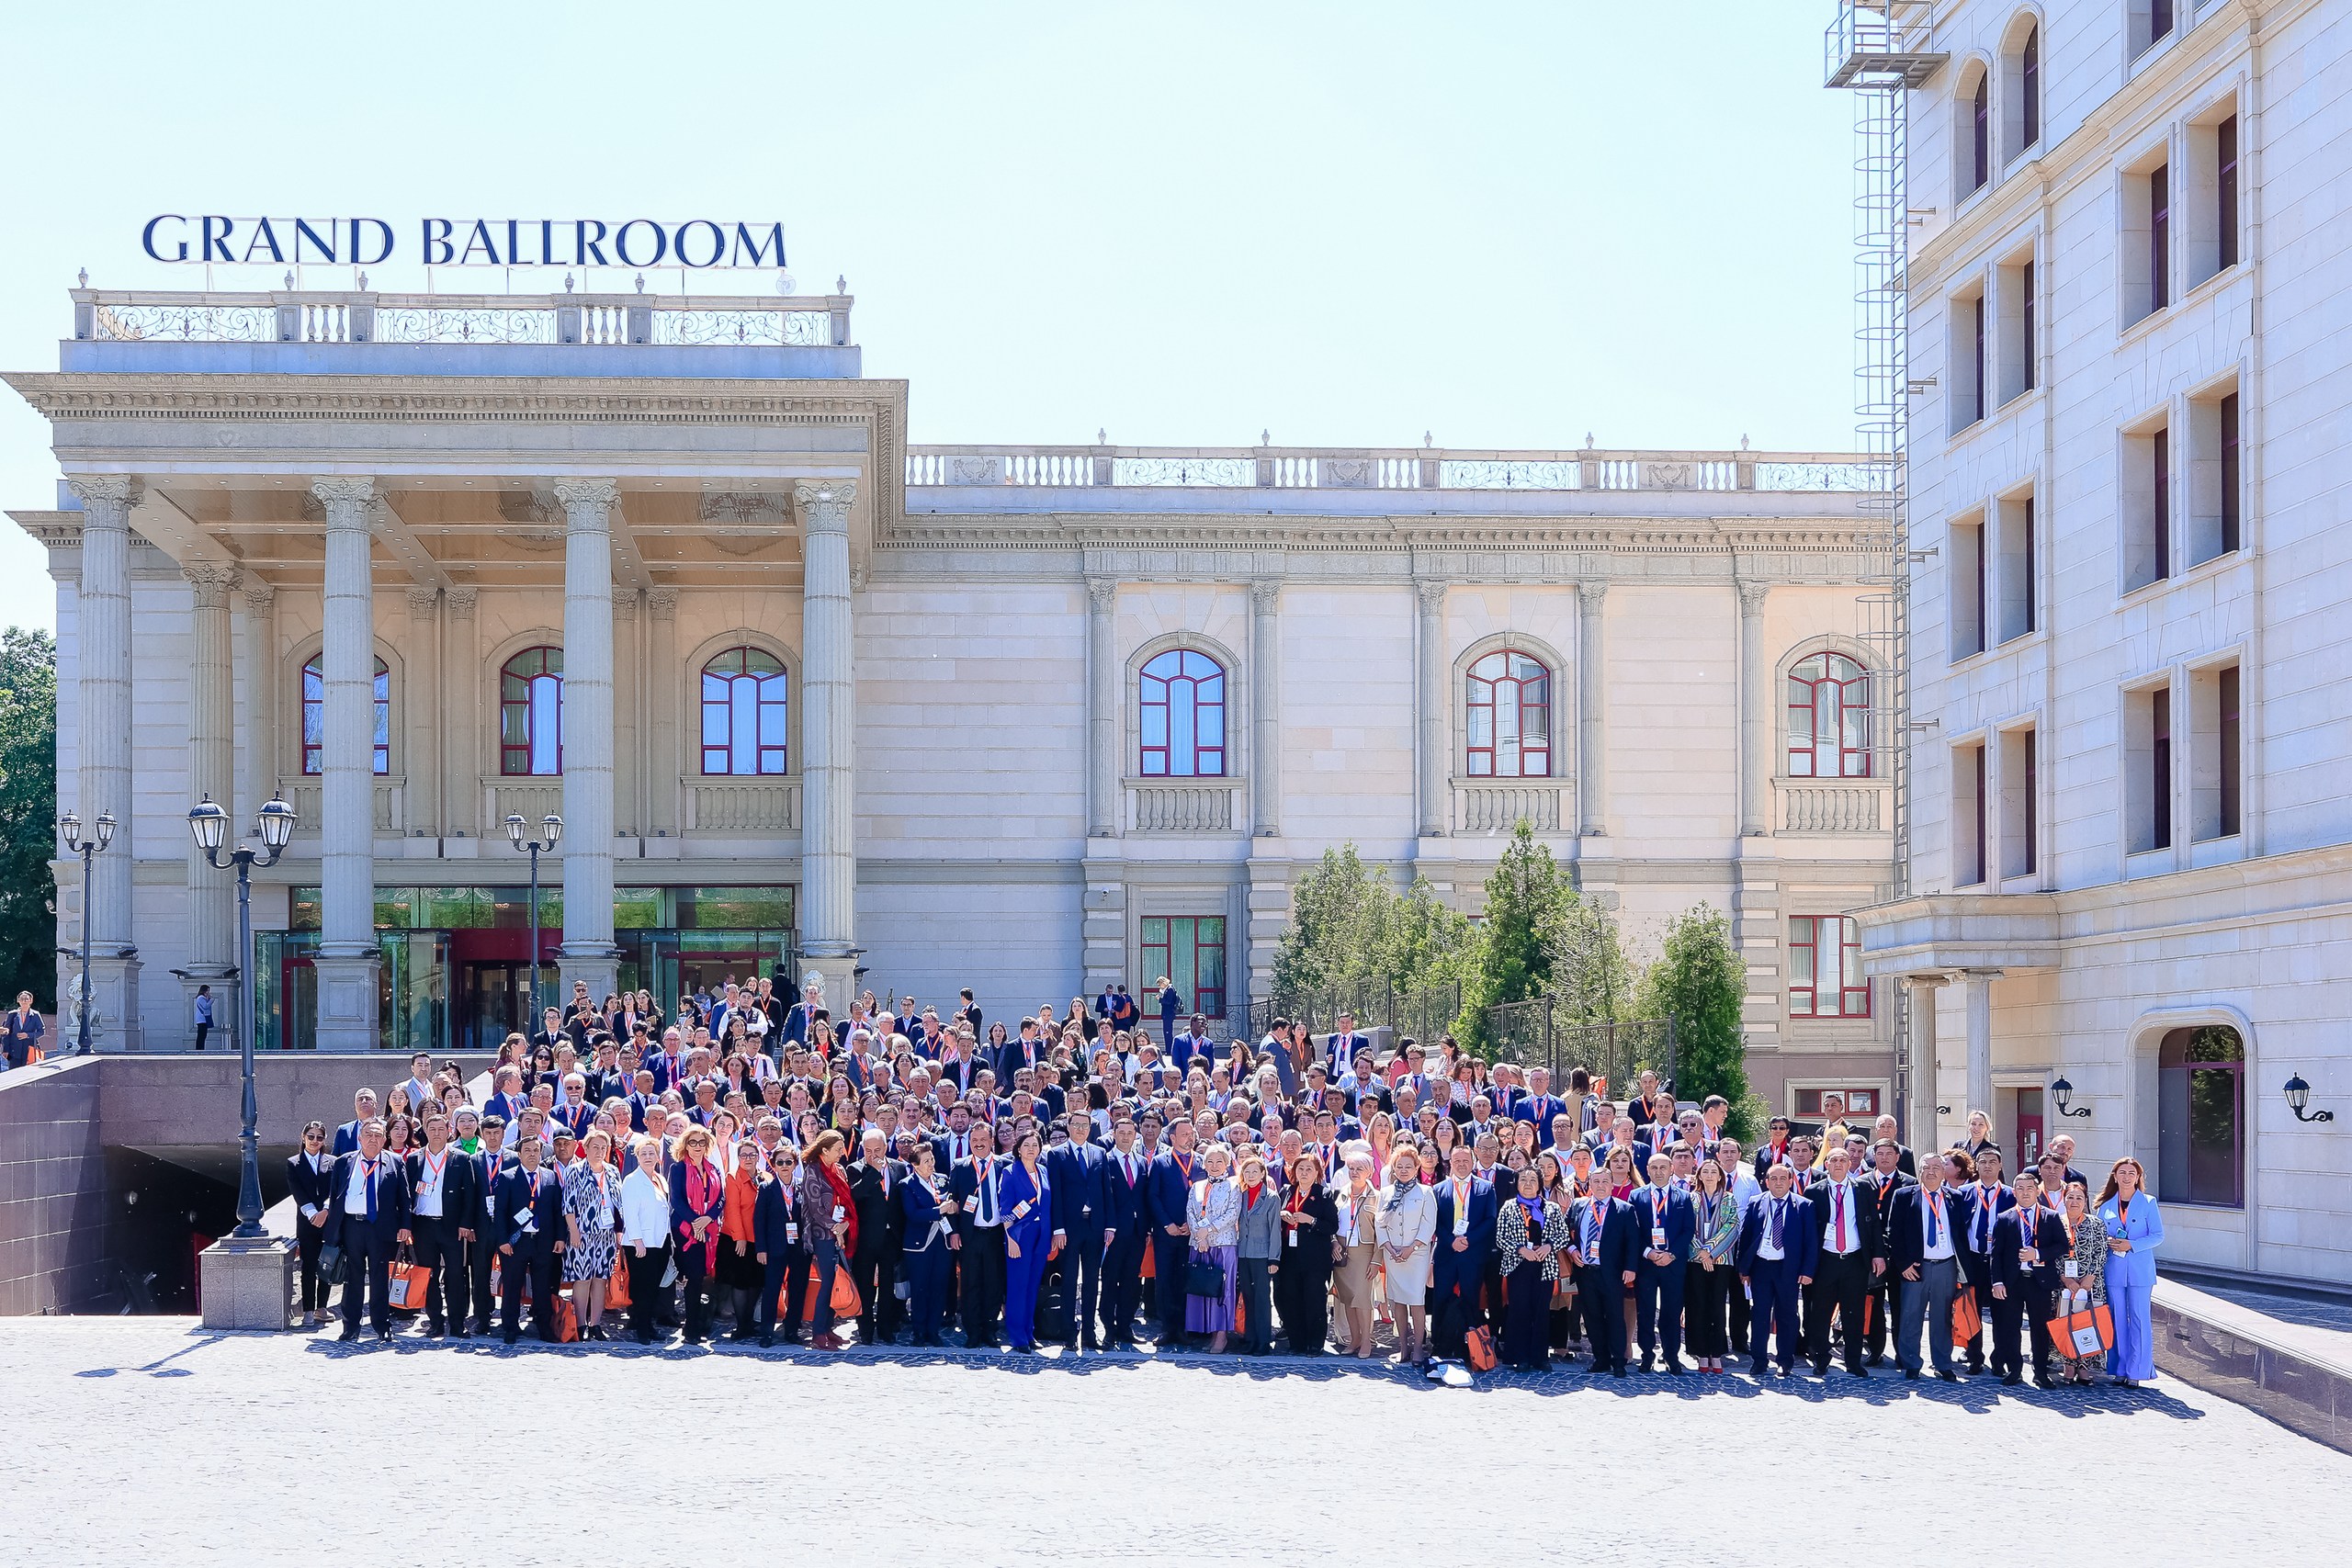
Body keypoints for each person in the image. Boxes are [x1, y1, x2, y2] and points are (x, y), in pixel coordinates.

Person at [324, 1117, 412, 1342]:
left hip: (380, 1228)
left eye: (378, 1135)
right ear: (360, 1138)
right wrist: (333, 1231)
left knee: (379, 1277)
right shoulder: (343, 1162)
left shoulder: (394, 1162)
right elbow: (335, 1197)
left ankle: (381, 1324)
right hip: (351, 1226)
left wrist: (405, 1225)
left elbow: (404, 1197)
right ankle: (350, 1326)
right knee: (352, 1277)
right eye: (368, 1135)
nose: (373, 1139)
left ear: (384, 1139)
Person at [1884, 1151, 1966, 1382]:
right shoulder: (1904, 1195)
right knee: (1911, 1316)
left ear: (1944, 1173)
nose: (1931, 1172)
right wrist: (1903, 1264)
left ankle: (1943, 1363)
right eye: (1926, 1168)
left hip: (1946, 1266)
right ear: (1919, 1172)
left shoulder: (1955, 1197)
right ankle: (1911, 1362)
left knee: (1942, 1317)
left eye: (1936, 1168)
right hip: (1916, 1267)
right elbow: (1893, 1233)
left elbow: (1961, 1234)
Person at [1803, 1144, 1879, 1379]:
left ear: (1849, 1164)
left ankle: (1853, 1361)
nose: (1838, 1164)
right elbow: (1807, 1231)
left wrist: (1878, 1254)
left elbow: (1874, 1224)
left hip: (1854, 1261)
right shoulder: (1814, 1191)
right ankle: (1821, 1359)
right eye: (1834, 1160)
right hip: (1825, 1260)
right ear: (1826, 1164)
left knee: (1853, 1313)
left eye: (1843, 1160)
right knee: (1820, 1313)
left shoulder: (1863, 1188)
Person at [1735, 1160, 1816, 1378]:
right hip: (1761, 1267)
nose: (1778, 1183)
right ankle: (1759, 1360)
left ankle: (1785, 1361)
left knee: (1787, 1315)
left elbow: (1810, 1241)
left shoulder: (1804, 1205)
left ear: (1790, 1181)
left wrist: (1807, 1271)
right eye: (1774, 1179)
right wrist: (1744, 1269)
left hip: (1788, 1268)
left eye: (1783, 1178)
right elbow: (1745, 1236)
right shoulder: (1756, 1202)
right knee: (1759, 1314)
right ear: (1767, 1182)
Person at [404, 1111, 478, 1337]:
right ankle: (435, 1321)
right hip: (423, 1226)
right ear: (425, 1132)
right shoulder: (414, 1159)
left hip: (451, 1226)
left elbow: (470, 1195)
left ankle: (457, 1322)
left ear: (449, 1132)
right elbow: (406, 1195)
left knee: (456, 1275)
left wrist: (466, 1223)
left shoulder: (461, 1158)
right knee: (429, 1275)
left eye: (441, 1129)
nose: (436, 1133)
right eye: (432, 1129)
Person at [1989, 1166, 2063, 1388]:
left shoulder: (2050, 1216)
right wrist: (1997, 1282)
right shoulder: (2005, 1218)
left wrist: (2037, 1254)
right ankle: (2015, 1369)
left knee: (2040, 1328)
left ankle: (2040, 1371)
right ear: (2014, 1192)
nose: (2025, 1193)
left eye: (2030, 1188)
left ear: (2037, 1191)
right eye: (2020, 1189)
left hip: (2040, 1282)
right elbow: (1996, 1253)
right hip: (2013, 1281)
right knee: (2011, 1327)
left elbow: (2061, 1246)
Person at [490, 1133, 564, 1345]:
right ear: (519, 1154)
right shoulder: (507, 1177)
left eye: (536, 1150)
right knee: (512, 1286)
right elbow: (500, 1211)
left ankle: (544, 1328)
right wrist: (503, 1241)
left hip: (543, 1241)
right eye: (528, 1150)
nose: (532, 1154)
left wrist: (560, 1237)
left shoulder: (550, 1177)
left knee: (542, 1287)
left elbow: (557, 1210)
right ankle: (510, 1328)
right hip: (516, 1241)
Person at [2097, 1156, 2164, 1386]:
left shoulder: (2148, 1202)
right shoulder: (2105, 1206)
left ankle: (2137, 1371)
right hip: (2114, 1270)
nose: (2126, 1177)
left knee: (2139, 1318)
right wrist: (2108, 1241)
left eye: (2131, 1173)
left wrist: (2132, 1245)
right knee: (2117, 1319)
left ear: (2138, 1178)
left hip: (2140, 1270)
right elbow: (2099, 1236)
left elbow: (2157, 1235)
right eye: (2122, 1173)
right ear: (2115, 1177)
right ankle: (2120, 1368)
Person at [1045, 1109, 1108, 1348]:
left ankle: (1089, 1333)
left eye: (1085, 1125)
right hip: (1069, 1227)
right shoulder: (1056, 1154)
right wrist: (1058, 1228)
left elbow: (1106, 1191)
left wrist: (1109, 1225)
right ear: (1069, 1127)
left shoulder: (1100, 1153)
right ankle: (1069, 1334)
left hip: (1095, 1225)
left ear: (1090, 1128)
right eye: (1076, 1125)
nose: (1080, 1129)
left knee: (1092, 1281)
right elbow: (1055, 1194)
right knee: (1069, 1280)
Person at [1429, 1145, 1498, 1361]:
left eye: (1465, 1161)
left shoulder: (1486, 1188)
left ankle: (1469, 1347)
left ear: (1472, 1162)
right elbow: (1435, 1222)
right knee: (1441, 1298)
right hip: (1447, 1254)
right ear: (1450, 1163)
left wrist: (1468, 1239)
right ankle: (1439, 1345)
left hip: (1472, 1254)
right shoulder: (1438, 1189)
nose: (1461, 1165)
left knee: (1471, 1300)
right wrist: (1451, 1241)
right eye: (1457, 1161)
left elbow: (1490, 1219)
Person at [1567, 1168, 1638, 1376]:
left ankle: (1618, 1361)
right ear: (1590, 1184)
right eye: (1596, 1181)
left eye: (1605, 1181)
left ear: (1611, 1184)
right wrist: (1571, 1250)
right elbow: (1565, 1230)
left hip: (1612, 1273)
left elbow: (1633, 1241)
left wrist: (1630, 1267)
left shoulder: (1625, 1209)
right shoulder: (1578, 1206)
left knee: (1615, 1316)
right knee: (1592, 1316)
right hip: (1585, 1271)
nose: (1600, 1185)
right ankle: (1601, 1359)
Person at [1497, 1165, 1567, 1372]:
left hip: (1545, 1266)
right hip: (1518, 1266)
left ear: (1539, 1184)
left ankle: (1540, 1357)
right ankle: (1520, 1357)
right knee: (1519, 1310)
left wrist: (1549, 1246)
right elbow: (1500, 1238)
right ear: (1517, 1184)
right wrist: (1521, 1250)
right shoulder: (1509, 1207)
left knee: (1541, 1311)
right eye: (1523, 1180)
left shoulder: (1552, 1208)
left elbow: (1563, 1235)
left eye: (1532, 1180)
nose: (1528, 1184)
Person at [1630, 1151, 1695, 1374]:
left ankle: (1671, 1355)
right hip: (1646, 1264)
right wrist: (1648, 1252)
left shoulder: (1684, 1197)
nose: (1659, 1172)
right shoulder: (1636, 1196)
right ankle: (1647, 1355)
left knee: (1671, 1312)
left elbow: (1688, 1230)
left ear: (1671, 1170)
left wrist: (1672, 1254)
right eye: (1654, 1168)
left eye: (1663, 1168)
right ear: (1647, 1171)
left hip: (1673, 1265)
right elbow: (1633, 1231)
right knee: (1646, 1312)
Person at [846, 1128, 908, 1347]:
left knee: (888, 1285)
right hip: (867, 1238)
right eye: (869, 1150)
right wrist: (873, 1171)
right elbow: (855, 1195)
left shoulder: (899, 1167)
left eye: (878, 1150)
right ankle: (865, 1330)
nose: (874, 1154)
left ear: (886, 1147)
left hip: (892, 1236)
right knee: (865, 1286)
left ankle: (885, 1328)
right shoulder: (855, 1168)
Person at [797, 1129, 857, 1350]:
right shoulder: (813, 1171)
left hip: (841, 1232)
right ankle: (818, 1333)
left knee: (838, 1281)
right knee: (827, 1283)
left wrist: (845, 1225)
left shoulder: (839, 1170)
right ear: (824, 1150)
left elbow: (847, 1201)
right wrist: (835, 1228)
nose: (842, 1153)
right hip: (823, 1236)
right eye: (838, 1149)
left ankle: (829, 1327)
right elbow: (815, 1210)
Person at [670, 1124, 727, 1344]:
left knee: (702, 1277)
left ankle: (697, 1324)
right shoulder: (678, 1168)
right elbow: (676, 1200)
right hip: (686, 1230)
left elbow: (721, 1198)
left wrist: (707, 1219)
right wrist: (696, 1223)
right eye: (692, 1142)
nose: (697, 1146)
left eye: (701, 1142)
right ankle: (691, 1329)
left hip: (708, 1229)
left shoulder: (713, 1169)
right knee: (692, 1278)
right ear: (685, 1145)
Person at [1182, 1142, 1242, 1353]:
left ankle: (1222, 1335)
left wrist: (1206, 1231)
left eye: (1219, 1161)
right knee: (1203, 1287)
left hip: (1223, 1244)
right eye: (1210, 1161)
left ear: (1227, 1164)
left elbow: (1231, 1214)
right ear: (1204, 1164)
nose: (1214, 1165)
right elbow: (1190, 1211)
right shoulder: (1196, 1186)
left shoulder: (1234, 1186)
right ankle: (1208, 1331)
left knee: (1222, 1289)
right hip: (1199, 1245)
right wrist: (1199, 1237)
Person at [561, 1129, 620, 1341]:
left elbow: (618, 1205)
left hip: (606, 1234)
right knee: (583, 1278)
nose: (599, 1151)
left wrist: (619, 1232)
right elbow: (568, 1205)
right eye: (595, 1147)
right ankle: (580, 1324)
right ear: (585, 1148)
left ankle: (595, 1324)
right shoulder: (575, 1171)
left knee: (600, 1279)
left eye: (603, 1147)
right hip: (583, 1233)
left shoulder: (612, 1171)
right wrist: (574, 1231)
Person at [951, 1121, 1005, 1348]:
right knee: (970, 1284)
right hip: (970, 1235)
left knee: (993, 1283)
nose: (979, 1144)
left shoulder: (1004, 1165)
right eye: (974, 1140)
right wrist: (954, 1232)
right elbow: (952, 1202)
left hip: (995, 1234)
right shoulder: (960, 1166)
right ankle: (972, 1332)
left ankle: (990, 1330)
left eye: (983, 1139)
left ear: (992, 1141)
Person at [1097, 1119, 1150, 1347]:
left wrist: (1147, 1228)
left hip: (1138, 1232)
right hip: (1114, 1232)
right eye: (1122, 1133)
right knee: (1110, 1280)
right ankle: (1109, 1328)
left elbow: (1144, 1197)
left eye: (1130, 1133)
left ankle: (1125, 1325)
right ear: (1114, 1135)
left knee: (1132, 1281)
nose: (1126, 1137)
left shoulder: (1142, 1162)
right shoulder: (1104, 1161)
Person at [1001, 1128, 1054, 1352]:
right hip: (1020, 1236)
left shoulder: (1043, 1171)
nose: (1031, 1149)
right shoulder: (1010, 1172)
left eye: (1035, 1145)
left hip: (1041, 1234)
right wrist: (1010, 1239)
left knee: (1033, 1285)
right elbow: (1005, 1209)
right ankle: (1017, 1336)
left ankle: (1029, 1331)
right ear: (1018, 1149)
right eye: (1026, 1145)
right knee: (1018, 1286)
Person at [899, 1141, 956, 1347]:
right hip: (919, 1244)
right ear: (915, 1165)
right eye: (926, 1161)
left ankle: (933, 1330)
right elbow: (912, 1213)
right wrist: (939, 1210)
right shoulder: (907, 1184)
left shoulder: (942, 1180)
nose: (931, 1164)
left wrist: (953, 1210)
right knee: (920, 1287)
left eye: (932, 1159)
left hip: (942, 1242)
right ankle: (919, 1331)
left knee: (939, 1286)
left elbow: (952, 1207)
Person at [1685, 1152, 1738, 1372]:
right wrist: (1701, 1252)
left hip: (1721, 1259)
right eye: (1705, 1172)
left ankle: (1716, 1352)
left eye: (1713, 1172)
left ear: (1720, 1176)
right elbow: (1686, 1227)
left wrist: (1711, 1251)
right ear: (1699, 1175)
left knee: (1717, 1306)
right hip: (1695, 1259)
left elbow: (1732, 1226)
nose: (1709, 1175)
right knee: (1697, 1305)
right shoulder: (1691, 1198)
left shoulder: (1728, 1199)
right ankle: (1700, 1352)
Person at [616, 1134, 673, 1343]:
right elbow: (629, 1213)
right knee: (643, 1288)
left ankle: (649, 1325)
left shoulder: (660, 1179)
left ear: (658, 1156)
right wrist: (638, 1241)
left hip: (660, 1240)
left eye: (652, 1153)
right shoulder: (632, 1180)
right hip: (641, 1244)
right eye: (644, 1154)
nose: (648, 1157)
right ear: (637, 1157)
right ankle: (641, 1329)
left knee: (654, 1287)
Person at [2053, 1179, 2109, 1384]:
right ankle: (2068, 1364)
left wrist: (2089, 1278)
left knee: (2087, 1323)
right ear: (2064, 1200)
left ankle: (2084, 1366)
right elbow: (2053, 1252)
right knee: (2066, 1322)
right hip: (2064, 1283)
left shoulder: (2096, 1224)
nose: (2074, 1202)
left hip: (2091, 1284)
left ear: (2085, 1201)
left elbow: (2101, 1252)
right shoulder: (2055, 1222)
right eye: (2070, 1197)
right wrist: (2065, 1278)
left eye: (2079, 1198)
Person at [1232, 1149, 1283, 1355]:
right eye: (1247, 1172)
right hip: (1244, 1253)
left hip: (1262, 1255)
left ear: (1263, 1174)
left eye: (1255, 1171)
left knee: (1262, 1299)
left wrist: (1274, 1259)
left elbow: (1275, 1230)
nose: (1251, 1175)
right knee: (1248, 1296)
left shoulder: (1271, 1198)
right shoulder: (1241, 1196)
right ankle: (1250, 1338)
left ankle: (1263, 1341)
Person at [1333, 1147, 1380, 1358]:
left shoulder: (1377, 1197)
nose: (1354, 1172)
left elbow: (1381, 1232)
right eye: (1351, 1168)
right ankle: (1354, 1339)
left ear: (1369, 1171)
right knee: (1347, 1297)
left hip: (1364, 1252)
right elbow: (1332, 1223)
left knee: (1362, 1299)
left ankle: (1366, 1341)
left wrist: (1376, 1261)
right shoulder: (1340, 1194)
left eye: (1359, 1169)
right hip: (1342, 1252)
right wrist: (1333, 1242)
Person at [287, 1120, 334, 1325]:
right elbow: (297, 1192)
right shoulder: (293, 1163)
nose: (315, 1141)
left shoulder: (333, 1162)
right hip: (307, 1222)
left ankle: (322, 1308)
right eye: (311, 1136)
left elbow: (335, 1189)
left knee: (327, 1265)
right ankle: (308, 1309)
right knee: (308, 1266)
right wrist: (313, 1214)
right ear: (303, 1137)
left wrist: (325, 1211)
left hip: (328, 1220)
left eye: (319, 1137)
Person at [2, 990, 42, 1069]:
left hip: (29, 1050)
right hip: (13, 1052)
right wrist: (5, 1050)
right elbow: (6, 1034)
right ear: (18, 1001)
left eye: (26, 999)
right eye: (22, 999)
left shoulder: (35, 1015)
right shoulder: (12, 1014)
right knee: (13, 1073)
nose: (24, 1001)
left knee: (28, 1073)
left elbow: (41, 1031)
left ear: (31, 1001)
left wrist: (28, 1035)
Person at [191, 985, 214, 1051]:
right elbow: (205, 1006)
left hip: (202, 1019)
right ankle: (199, 1048)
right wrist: (211, 1000)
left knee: (203, 1035)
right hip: (202, 1019)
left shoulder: (202, 998)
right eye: (208, 990)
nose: (208, 992)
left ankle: (201, 1048)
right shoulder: (201, 998)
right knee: (201, 1035)